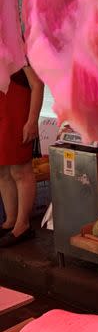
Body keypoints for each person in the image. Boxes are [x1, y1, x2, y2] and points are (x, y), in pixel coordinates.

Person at [0, 64, 44, 247]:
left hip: (18, 116)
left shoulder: (17, 48)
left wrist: (32, 120)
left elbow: (37, 85)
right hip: (2, 114)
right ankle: (10, 221)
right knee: (2, 171)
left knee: (20, 170)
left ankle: (23, 225)